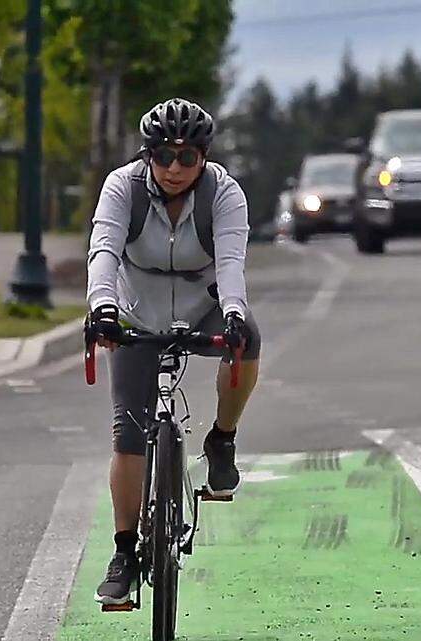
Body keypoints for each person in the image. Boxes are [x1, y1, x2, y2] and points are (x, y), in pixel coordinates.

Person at [85, 98, 261, 605]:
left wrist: (232, 311)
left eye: (188, 158)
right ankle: (123, 552)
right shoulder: (122, 187)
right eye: (164, 156)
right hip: (137, 308)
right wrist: (101, 306)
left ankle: (222, 440)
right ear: (148, 155)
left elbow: (231, 260)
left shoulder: (224, 193)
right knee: (127, 434)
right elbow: (104, 250)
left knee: (247, 336)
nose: (176, 169)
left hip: (203, 303)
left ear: (205, 156)